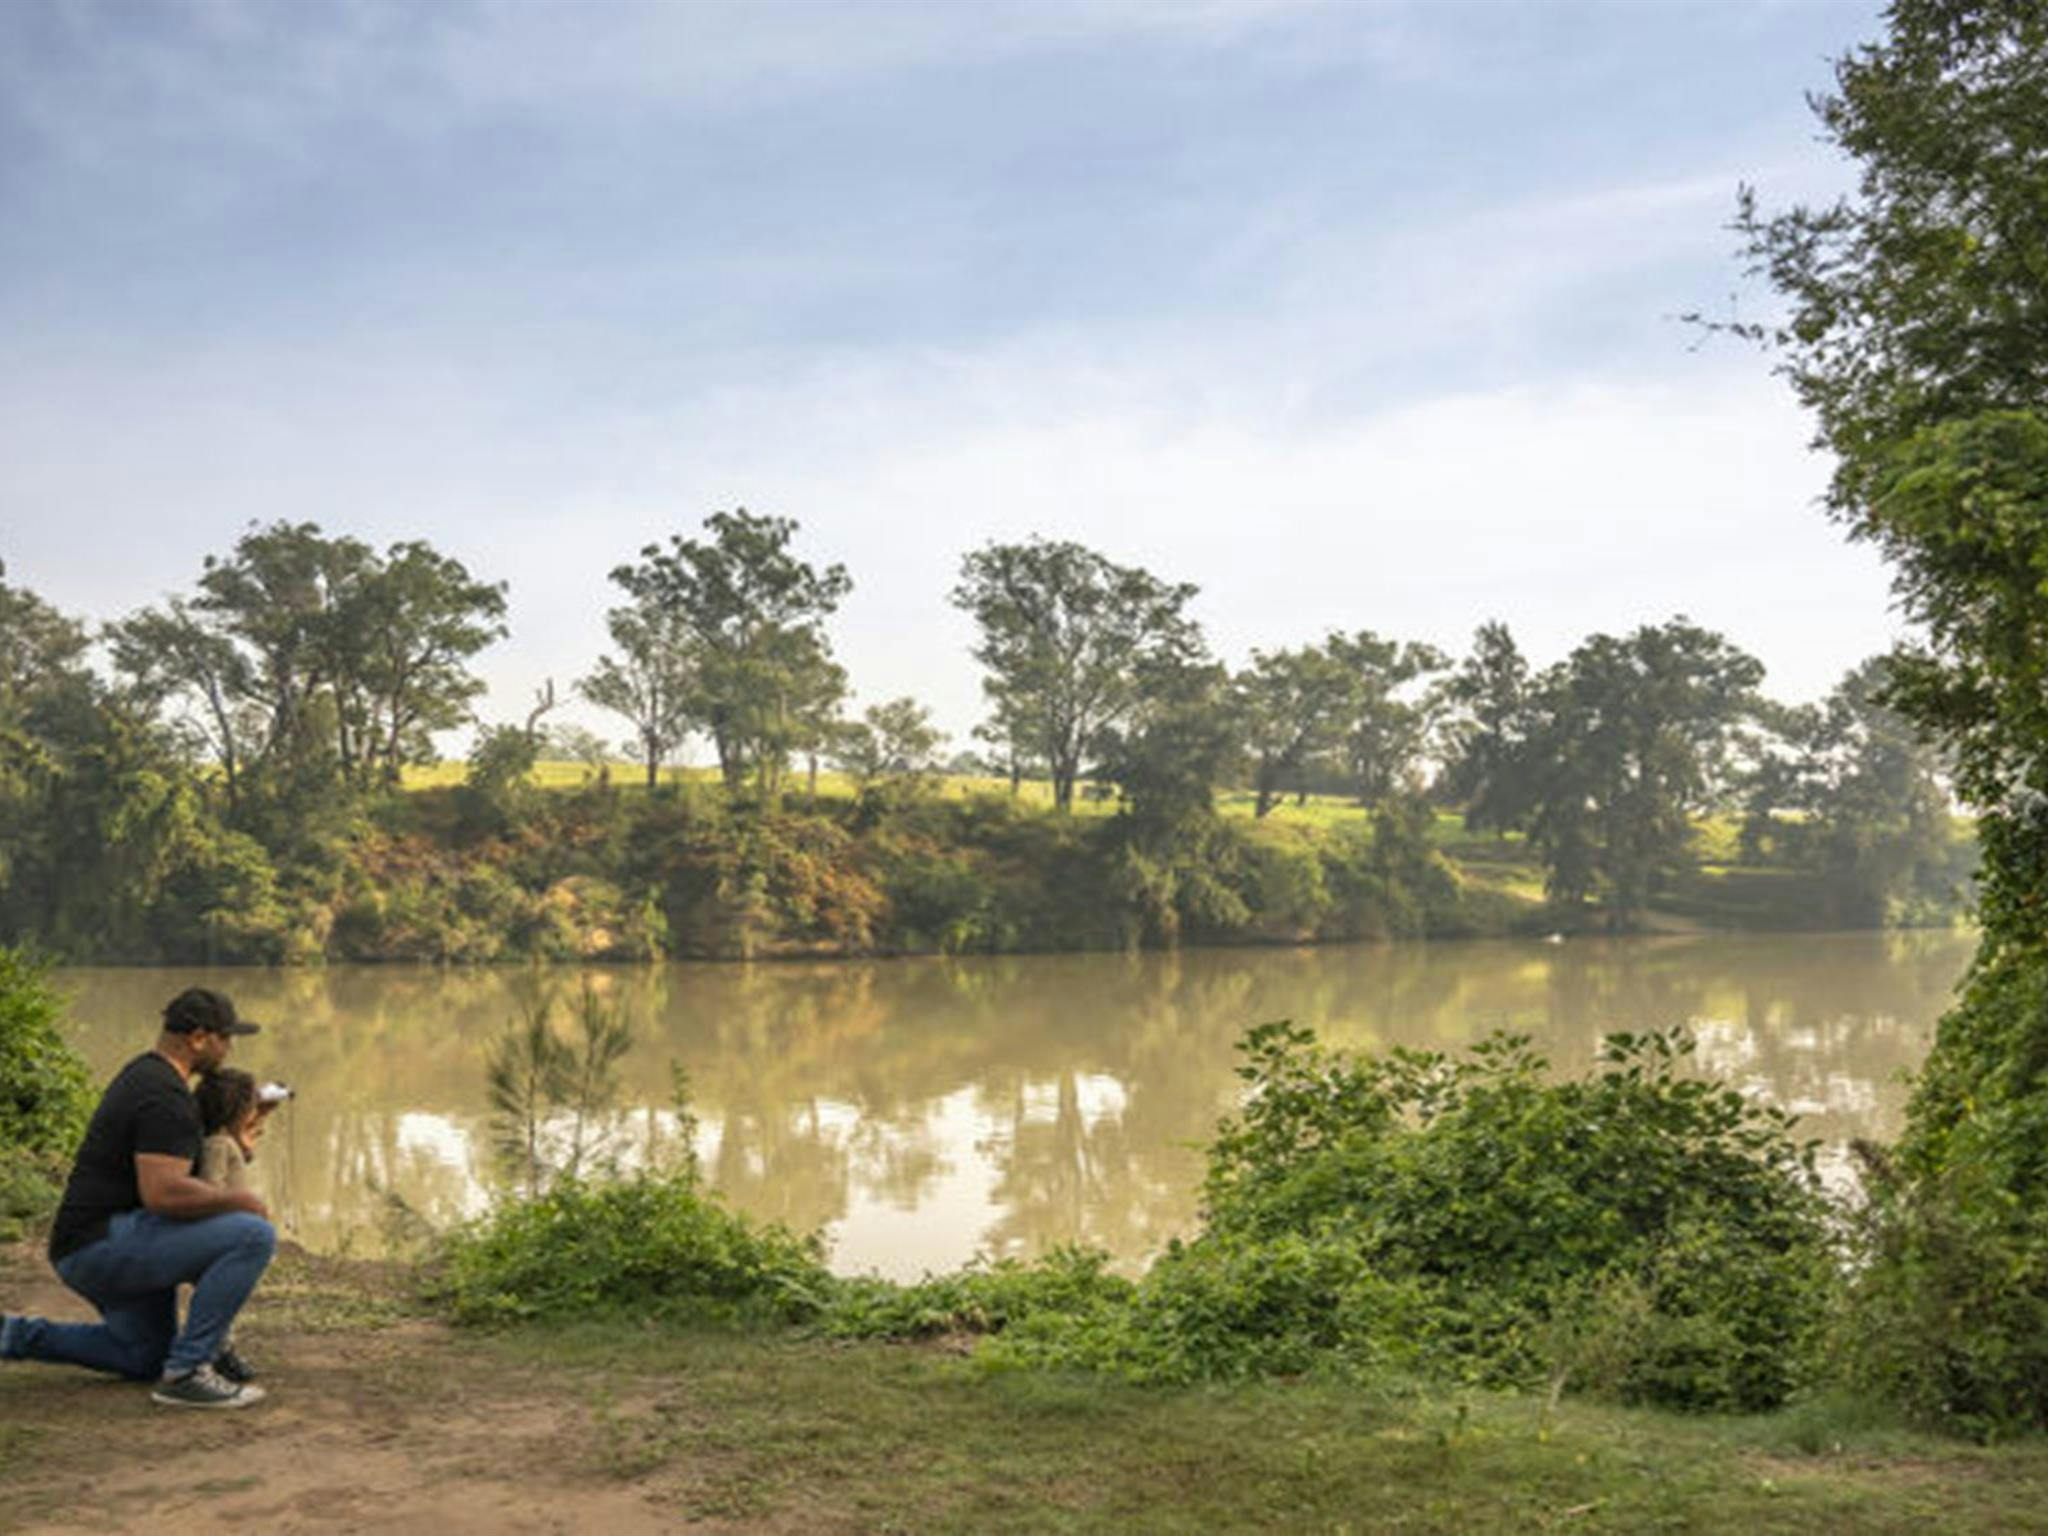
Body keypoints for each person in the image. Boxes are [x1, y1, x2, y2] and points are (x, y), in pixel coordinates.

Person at [0, 988, 277, 1408]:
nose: (229, 1049)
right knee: (251, 1234)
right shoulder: (164, 1095)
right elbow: (163, 1192)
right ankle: (188, 1372)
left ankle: (11, 1335)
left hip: (88, 1245)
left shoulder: (149, 1078)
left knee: (142, 1354)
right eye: (225, 1038)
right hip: (103, 1244)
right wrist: (243, 1203)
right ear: (199, 1038)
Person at [191, 1066, 276, 1385]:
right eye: (249, 1108)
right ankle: (216, 1353)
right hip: (222, 1237)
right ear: (236, 1110)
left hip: (229, 1233)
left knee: (227, 1300)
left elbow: (241, 1156)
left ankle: (220, 1350)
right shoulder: (216, 1145)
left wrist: (255, 1123)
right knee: (221, 1301)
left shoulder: (224, 1141)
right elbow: (211, 1186)